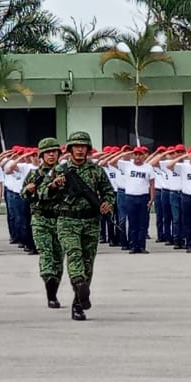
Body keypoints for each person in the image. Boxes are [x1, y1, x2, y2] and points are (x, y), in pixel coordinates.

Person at [44, 131, 116, 320]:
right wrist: (53, 186)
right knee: (74, 254)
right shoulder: (60, 170)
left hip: (91, 221)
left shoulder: (96, 171)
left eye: (83, 146)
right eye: (76, 146)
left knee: (87, 263)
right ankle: (78, 284)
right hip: (67, 221)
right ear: (69, 149)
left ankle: (78, 302)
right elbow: (43, 193)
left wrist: (108, 203)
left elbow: (109, 192)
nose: (80, 150)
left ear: (88, 149)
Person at [20, 137, 64, 308]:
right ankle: (51, 296)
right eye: (48, 153)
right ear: (41, 155)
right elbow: (23, 195)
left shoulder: (65, 172)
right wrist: (28, 189)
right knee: (46, 255)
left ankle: (54, 290)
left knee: (59, 259)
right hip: (40, 220)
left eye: (54, 152)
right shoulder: (33, 174)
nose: (51, 155)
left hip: (60, 220)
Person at [117, 146, 156, 254]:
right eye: (136, 154)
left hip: (143, 197)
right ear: (133, 155)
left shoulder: (148, 167)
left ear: (144, 156)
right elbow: (110, 162)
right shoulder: (127, 165)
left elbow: (152, 183)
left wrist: (152, 197)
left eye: (140, 154)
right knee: (133, 223)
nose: (138, 157)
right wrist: (124, 153)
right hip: (130, 197)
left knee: (143, 223)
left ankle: (142, 246)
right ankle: (133, 246)